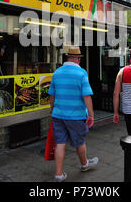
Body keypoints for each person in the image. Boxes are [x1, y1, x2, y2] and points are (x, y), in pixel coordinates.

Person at [48, 46, 98, 182]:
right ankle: (84, 165)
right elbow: (87, 96)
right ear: (78, 59)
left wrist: (52, 109)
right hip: (76, 116)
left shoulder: (57, 73)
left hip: (58, 115)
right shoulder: (81, 73)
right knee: (79, 142)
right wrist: (91, 115)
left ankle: (58, 174)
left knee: (60, 143)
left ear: (67, 57)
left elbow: (52, 95)